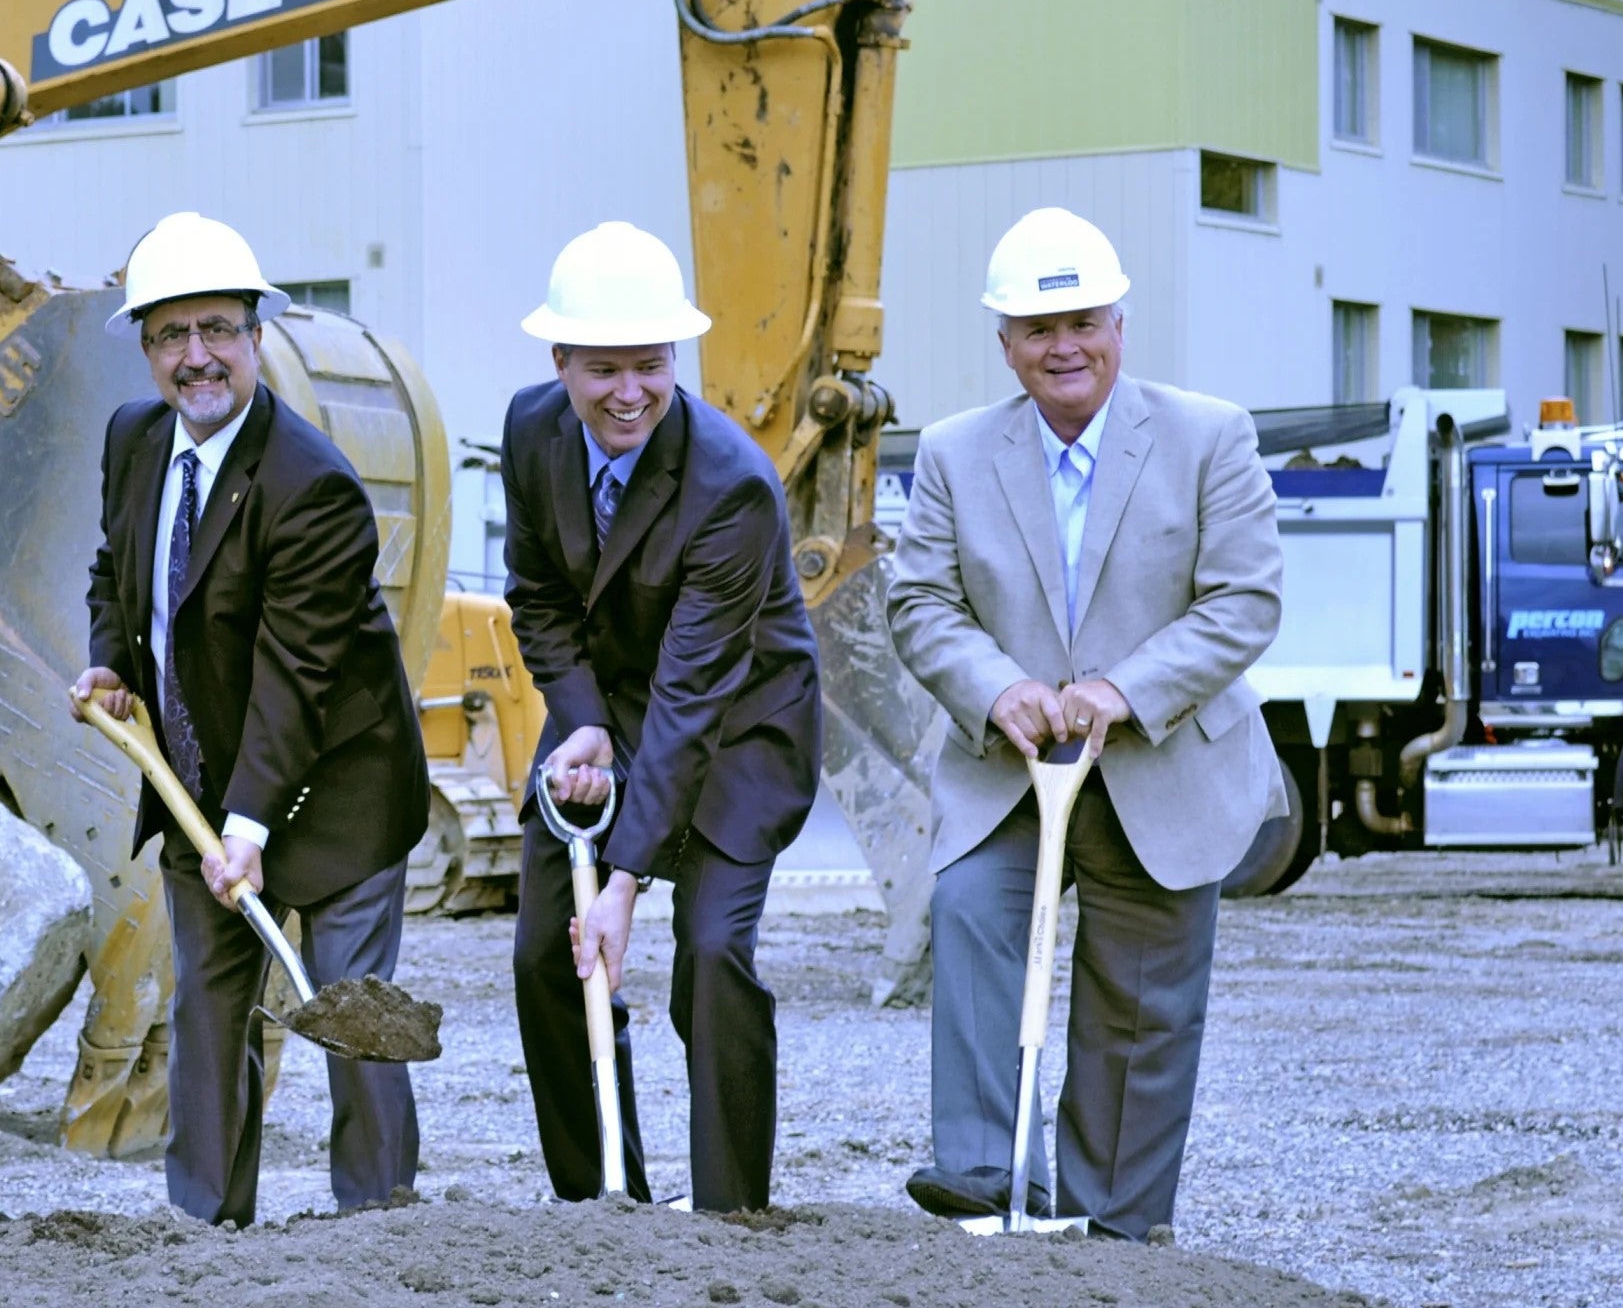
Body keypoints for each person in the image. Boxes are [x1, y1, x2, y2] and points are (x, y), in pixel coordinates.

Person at [887, 207, 1284, 1240]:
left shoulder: (1208, 437)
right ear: (1005, 343)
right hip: (1010, 765)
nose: (1064, 346)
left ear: (1120, 324)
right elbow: (921, 602)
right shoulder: (954, 453)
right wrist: (995, 686)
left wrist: (1124, 689)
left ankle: (1114, 1225)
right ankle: (983, 1171)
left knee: (1141, 1003)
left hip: (1162, 763)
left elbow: (1243, 600)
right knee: (972, 910)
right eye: (1036, 328)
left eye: (1084, 322)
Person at [69, 212, 430, 1227]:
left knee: (353, 1012)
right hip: (199, 781)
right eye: (173, 335)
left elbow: (297, 673)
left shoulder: (310, 485)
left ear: (257, 336)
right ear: (146, 348)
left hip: (339, 786)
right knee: (208, 1009)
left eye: (218, 330)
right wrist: (110, 659)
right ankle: (205, 1224)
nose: (198, 357)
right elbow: (117, 568)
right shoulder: (135, 442)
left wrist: (251, 826)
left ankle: (379, 1219)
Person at [501, 221, 822, 1214]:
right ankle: (600, 1202)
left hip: (737, 721)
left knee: (713, 955)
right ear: (561, 363)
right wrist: (584, 724)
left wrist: (626, 880)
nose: (629, 391)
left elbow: (692, 692)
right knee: (542, 954)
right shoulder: (529, 430)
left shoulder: (732, 487)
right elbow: (539, 597)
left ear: (674, 357)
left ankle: (730, 1209)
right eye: (603, 369)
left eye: (649, 365)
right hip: (608, 711)